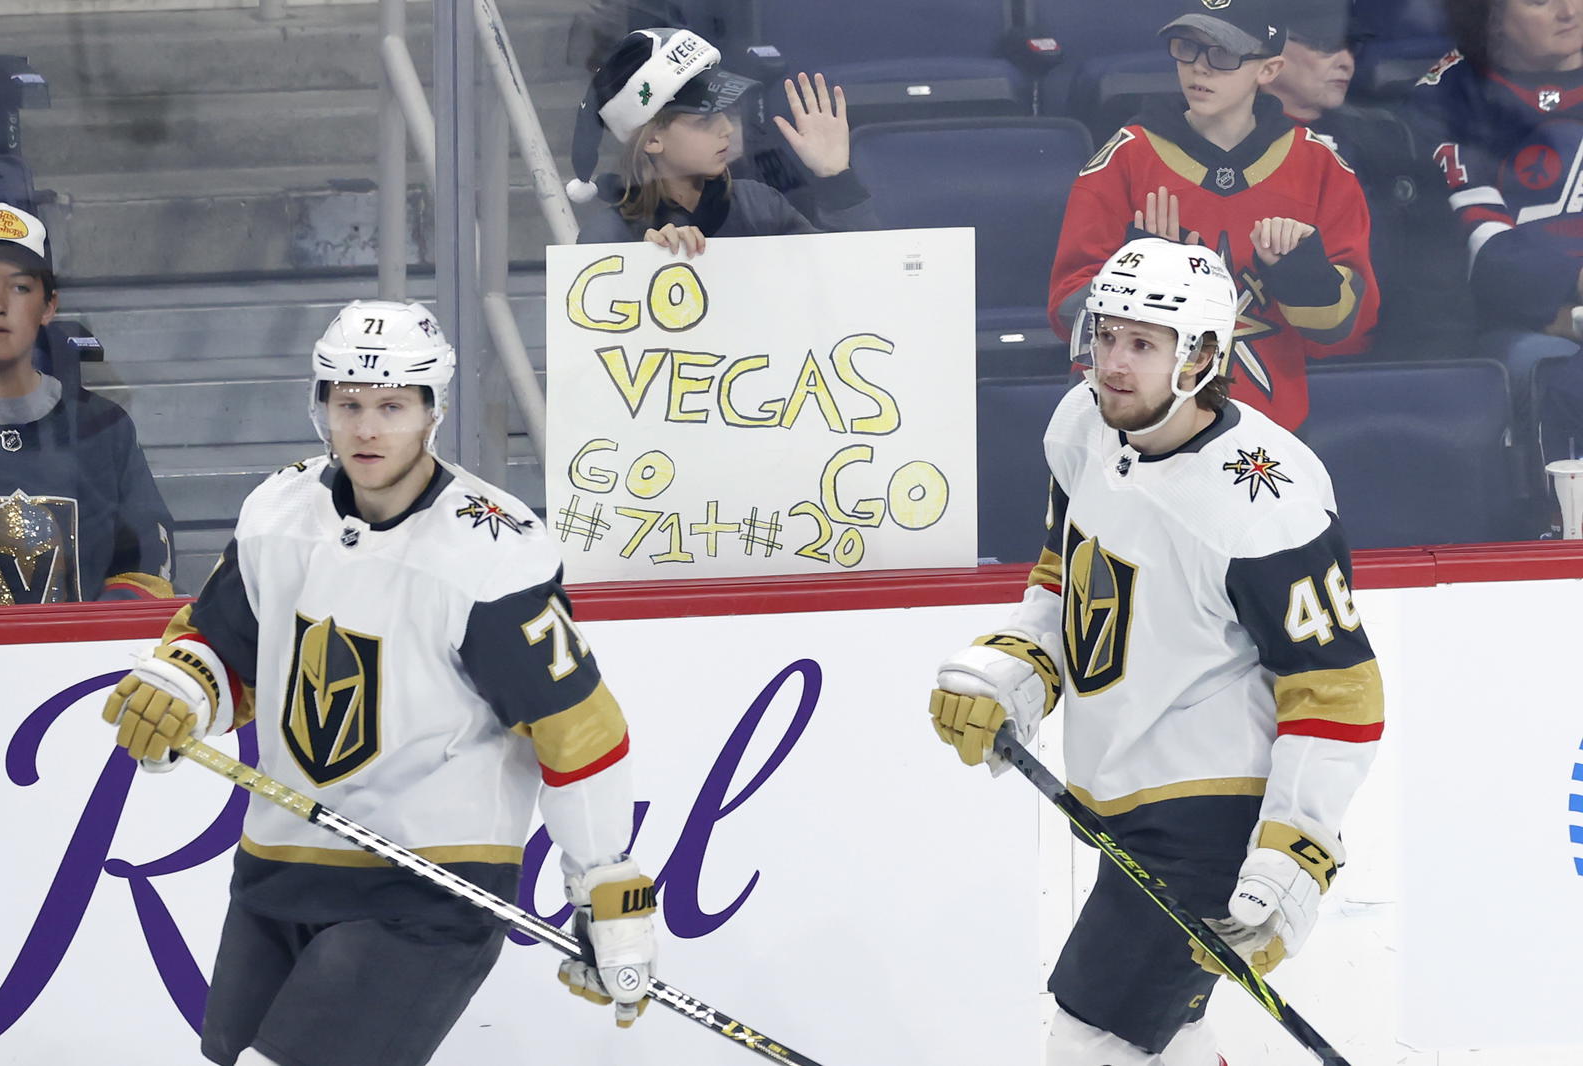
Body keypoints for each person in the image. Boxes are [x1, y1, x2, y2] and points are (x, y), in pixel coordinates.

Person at [98, 299, 656, 1066]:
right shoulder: (277, 513)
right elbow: (224, 648)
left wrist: (607, 885)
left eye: (392, 406)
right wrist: (181, 693)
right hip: (277, 866)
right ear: (321, 403)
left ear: (434, 411)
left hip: (426, 890)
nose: (366, 429)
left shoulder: (489, 553)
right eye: (348, 403)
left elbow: (577, 729)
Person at [932, 239, 1383, 1065]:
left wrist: (1295, 851)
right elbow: (1065, 574)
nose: (1111, 362)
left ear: (1205, 355)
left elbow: (1336, 691)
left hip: (1213, 814)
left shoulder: (1267, 501)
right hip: (1124, 790)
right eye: (1105, 336)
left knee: (1091, 1035)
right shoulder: (1082, 426)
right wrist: (1021, 668)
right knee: (1166, 1034)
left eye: (1142, 344)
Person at [1048, 0, 1379, 432]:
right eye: (1186, 47)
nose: (1198, 69)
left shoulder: (1321, 167)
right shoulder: (1124, 158)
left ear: (1269, 70)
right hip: (1131, 431)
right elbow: (1065, 312)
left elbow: (1351, 329)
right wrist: (1139, 281)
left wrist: (1301, 276)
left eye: (1222, 55)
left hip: (1264, 443)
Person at [0, 201, 175, 604]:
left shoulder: (102, 428)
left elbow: (144, 562)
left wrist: (93, 645)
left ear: (49, 306)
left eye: (19, 287)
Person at [1265, 0, 1472, 357]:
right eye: (1324, 45)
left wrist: (1423, 368)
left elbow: (1436, 279)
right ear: (1267, 46)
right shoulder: (1211, 144)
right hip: (1256, 366)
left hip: (1385, 365)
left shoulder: (1393, 141)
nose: (1346, 60)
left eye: (1351, 46)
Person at [567, 26, 876, 256]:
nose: (727, 128)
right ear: (652, 141)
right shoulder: (607, 236)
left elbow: (853, 279)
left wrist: (836, 178)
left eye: (728, 113)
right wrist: (642, 266)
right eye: (704, 120)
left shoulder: (761, 206)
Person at [1410, 0, 1583, 340]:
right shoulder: (1448, 97)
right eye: (1540, 1)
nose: (1569, 11)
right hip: (1516, 326)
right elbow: (1489, 257)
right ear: (1491, 17)